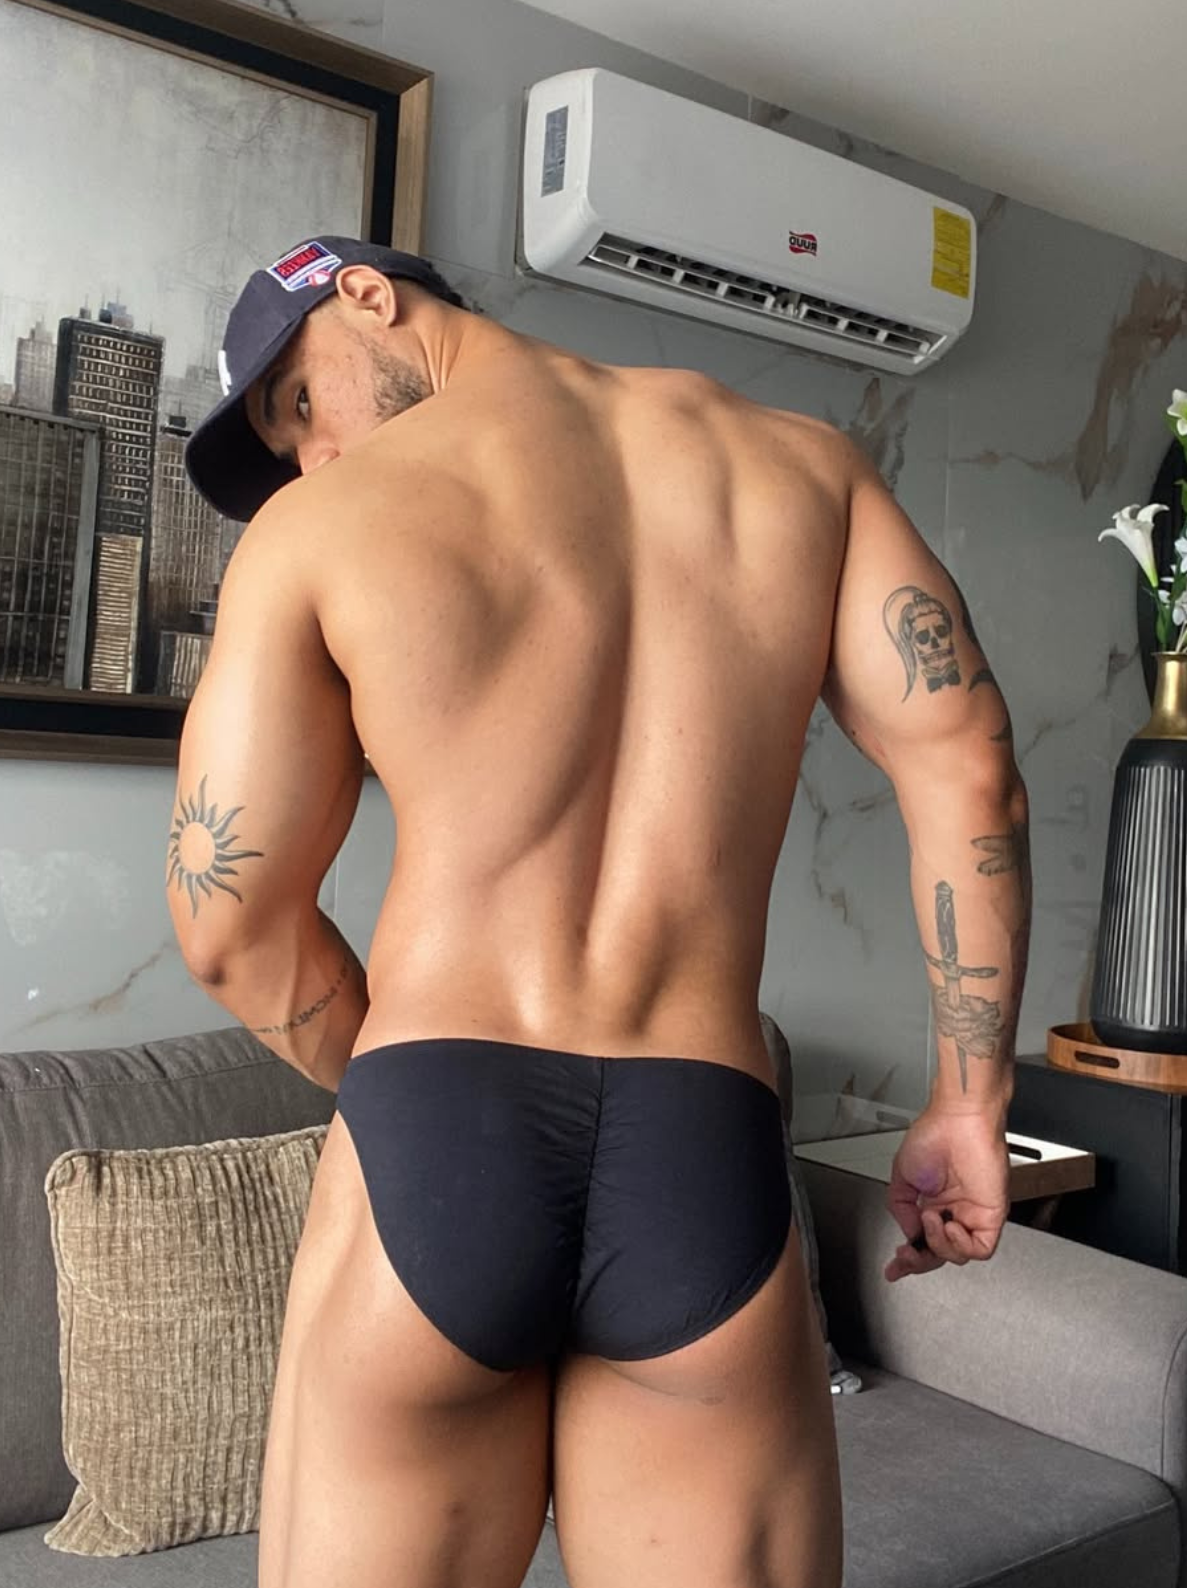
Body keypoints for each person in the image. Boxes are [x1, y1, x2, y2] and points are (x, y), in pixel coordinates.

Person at [167, 236, 1030, 1588]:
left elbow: (228, 927)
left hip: (436, 1134)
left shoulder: (322, 529)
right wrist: (970, 1106)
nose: (313, 455)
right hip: (701, 1148)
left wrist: (415, 1101)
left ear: (368, 296)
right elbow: (969, 766)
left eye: (301, 403)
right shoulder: (807, 472)